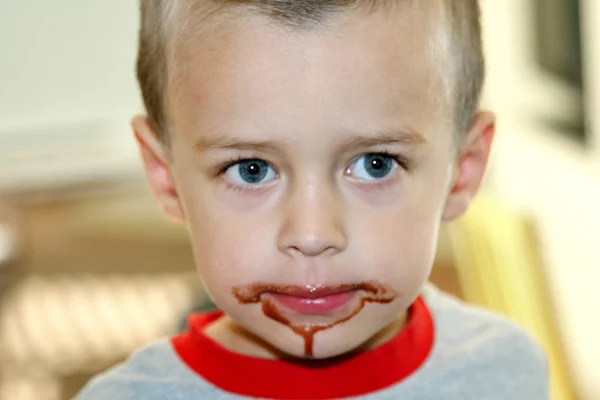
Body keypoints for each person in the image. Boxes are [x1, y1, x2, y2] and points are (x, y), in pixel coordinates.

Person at [77, 0, 548, 398]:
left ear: (462, 171)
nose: (312, 233)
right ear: (166, 177)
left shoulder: (507, 374)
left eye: (375, 164)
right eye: (251, 169)